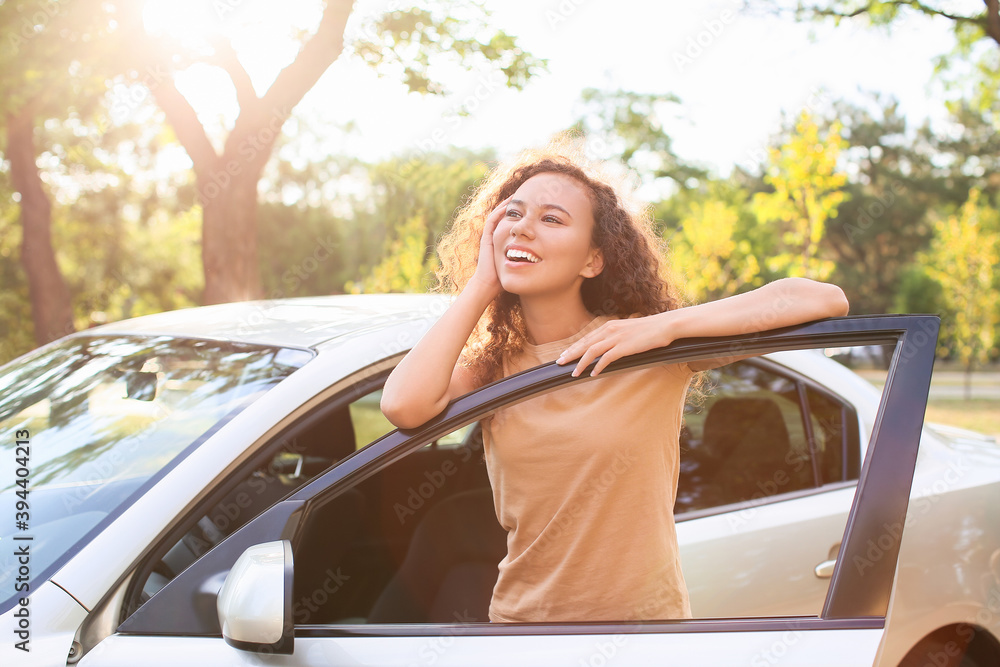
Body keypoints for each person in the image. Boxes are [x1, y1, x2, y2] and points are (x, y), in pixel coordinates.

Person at [380, 141, 849, 623]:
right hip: (525, 633)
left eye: (552, 219)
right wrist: (482, 282)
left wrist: (667, 325)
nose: (522, 227)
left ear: (592, 260)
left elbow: (822, 299)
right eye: (513, 214)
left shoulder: (646, 348)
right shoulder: (494, 366)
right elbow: (403, 405)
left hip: (644, 636)